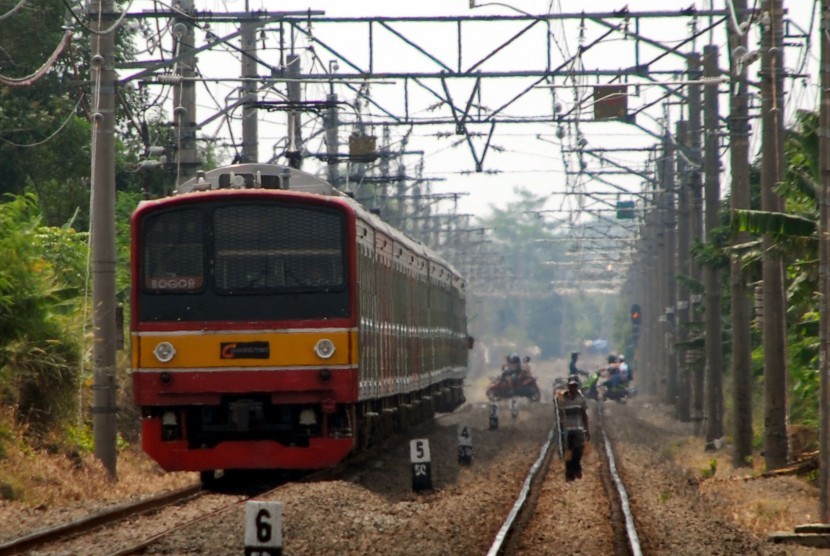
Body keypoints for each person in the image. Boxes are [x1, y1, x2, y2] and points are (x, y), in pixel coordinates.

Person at [559, 376, 590, 481]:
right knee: (568, 451)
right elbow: (559, 412)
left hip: (578, 428)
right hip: (567, 430)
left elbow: (584, 414)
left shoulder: (580, 398)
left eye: (575, 386)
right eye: (571, 386)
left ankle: (576, 467)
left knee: (578, 450)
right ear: (568, 386)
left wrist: (587, 429)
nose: (573, 388)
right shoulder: (563, 398)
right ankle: (569, 472)